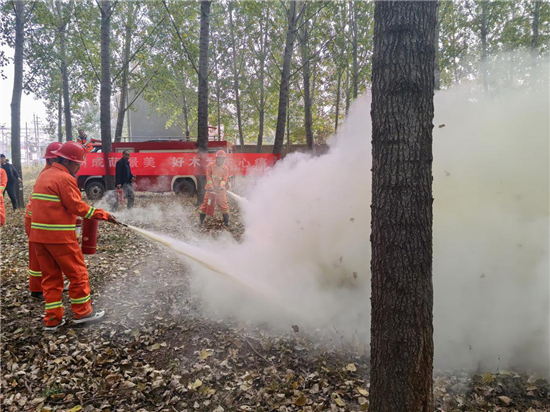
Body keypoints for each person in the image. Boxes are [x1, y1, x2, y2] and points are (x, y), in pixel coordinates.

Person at [30, 141, 118, 331]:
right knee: (77, 274)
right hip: (58, 237)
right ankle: (83, 313)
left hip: (38, 238)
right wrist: (103, 214)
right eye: (78, 163)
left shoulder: (44, 176)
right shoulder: (64, 178)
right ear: (69, 161)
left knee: (51, 279)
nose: (79, 167)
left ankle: (53, 319)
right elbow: (77, 207)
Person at [25, 142, 62, 300]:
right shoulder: (49, 174)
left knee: (52, 255)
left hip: (42, 219)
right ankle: (36, 288)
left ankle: (52, 285)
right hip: (36, 220)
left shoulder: (51, 172)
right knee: (37, 256)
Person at [199, 150, 230, 226]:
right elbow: (208, 177)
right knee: (205, 204)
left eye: (222, 158)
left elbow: (224, 179)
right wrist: (211, 187)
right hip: (210, 189)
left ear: (224, 159)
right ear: (216, 158)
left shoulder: (225, 168)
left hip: (220, 190)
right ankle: (200, 222)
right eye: (219, 158)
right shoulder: (210, 166)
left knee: (224, 205)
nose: (220, 160)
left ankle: (226, 222)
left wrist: (221, 186)